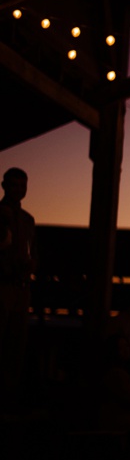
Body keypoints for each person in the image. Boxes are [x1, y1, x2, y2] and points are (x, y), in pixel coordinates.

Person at [0, 167, 36, 410]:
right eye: (13, 185)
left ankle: (9, 398)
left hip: (21, 288)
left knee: (16, 345)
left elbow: (32, 250)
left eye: (21, 186)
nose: (18, 190)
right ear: (4, 186)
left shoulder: (27, 220)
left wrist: (32, 264)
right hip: (3, 285)